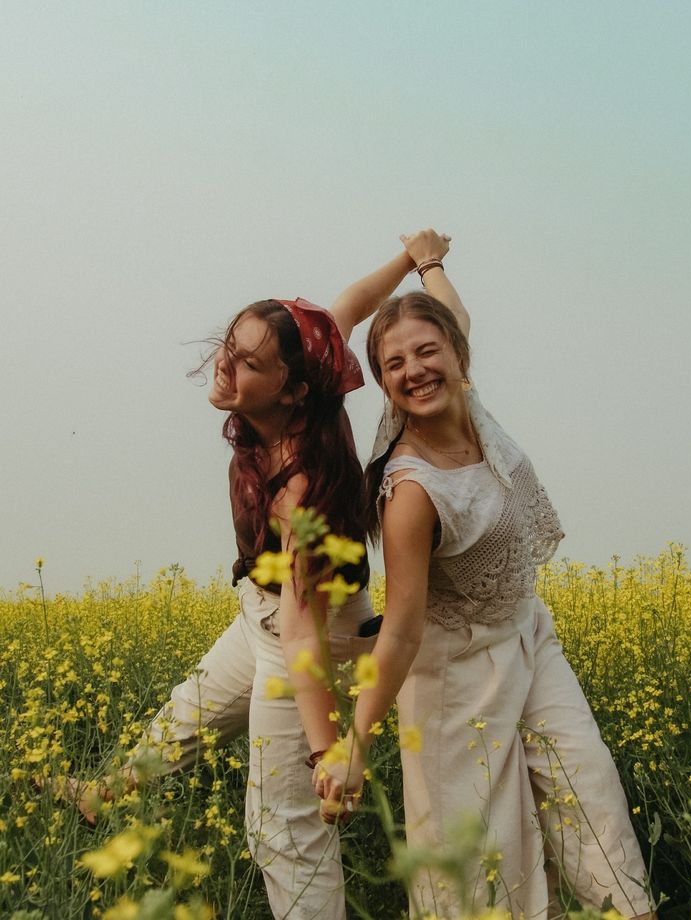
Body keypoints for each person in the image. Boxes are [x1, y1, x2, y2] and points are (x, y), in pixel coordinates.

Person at [47, 237, 436, 920]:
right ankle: (104, 794)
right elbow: (352, 303)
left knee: (284, 825)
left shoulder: (301, 488)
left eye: (248, 361)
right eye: (230, 344)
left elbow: (300, 631)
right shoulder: (310, 357)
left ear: (292, 390)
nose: (224, 365)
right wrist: (413, 259)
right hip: (265, 610)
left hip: (309, 633)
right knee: (183, 718)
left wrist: (327, 752)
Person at [314, 234, 656, 918]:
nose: (413, 370)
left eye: (426, 351)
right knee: (482, 862)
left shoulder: (471, 399)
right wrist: (353, 745)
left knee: (591, 795)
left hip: (527, 636)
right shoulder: (411, 492)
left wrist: (428, 259)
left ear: (458, 357)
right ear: (381, 382)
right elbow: (402, 632)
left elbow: (453, 313)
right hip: (454, 678)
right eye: (393, 364)